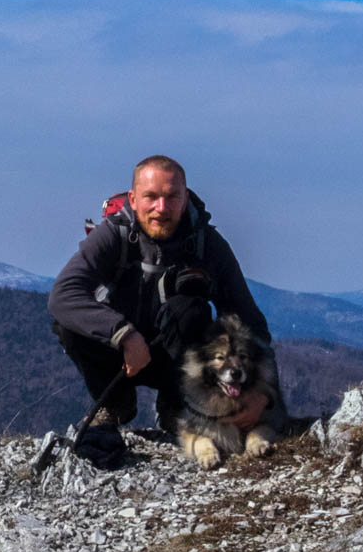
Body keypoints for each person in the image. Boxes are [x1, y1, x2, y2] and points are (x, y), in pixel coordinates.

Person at [47, 154, 274, 467]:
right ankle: (114, 404)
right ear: (133, 198)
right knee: (69, 326)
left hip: (175, 358)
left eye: (172, 197)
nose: (162, 209)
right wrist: (123, 335)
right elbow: (62, 295)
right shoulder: (114, 235)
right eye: (151, 197)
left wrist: (262, 394)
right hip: (118, 359)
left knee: (190, 311)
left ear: (184, 198)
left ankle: (176, 402)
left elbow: (249, 323)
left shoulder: (207, 245)